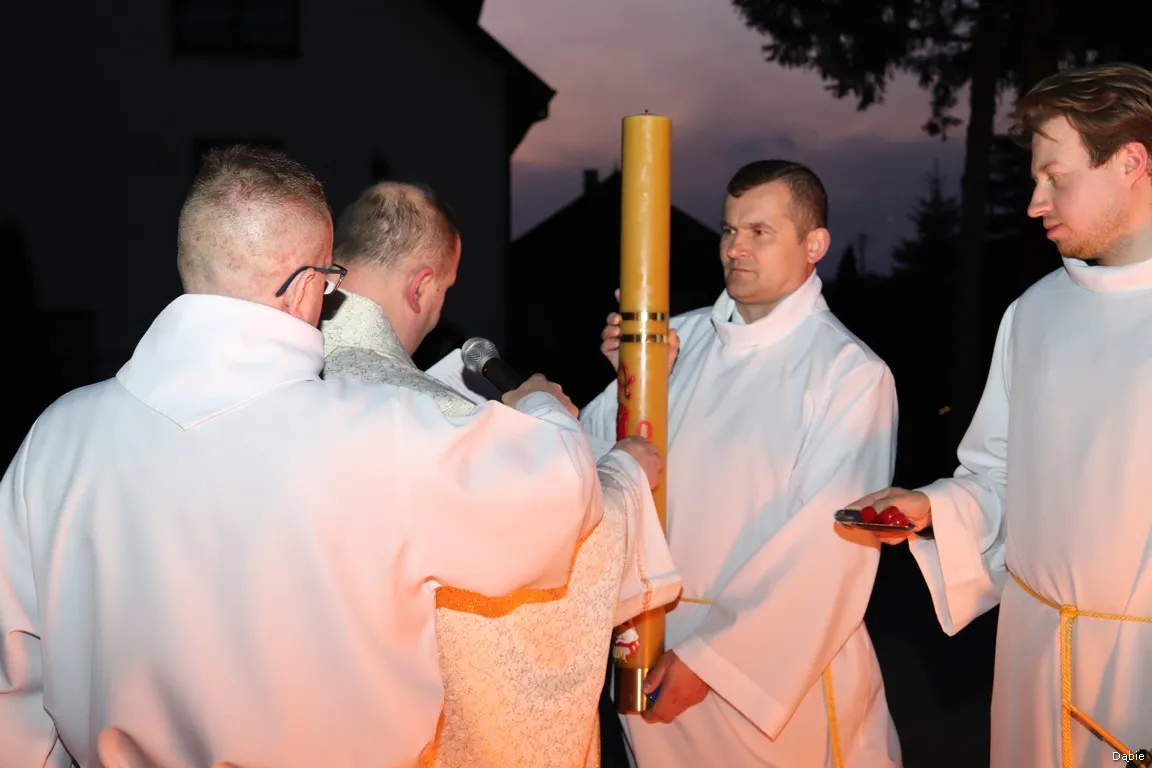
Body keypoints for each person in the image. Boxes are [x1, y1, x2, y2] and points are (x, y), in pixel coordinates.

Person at [0, 146, 613, 768]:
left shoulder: (55, 439)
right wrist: (539, 406)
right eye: (329, 282)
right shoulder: (380, 431)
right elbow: (560, 491)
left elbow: (14, 685)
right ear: (301, 288)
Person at [843, 62, 1152, 768]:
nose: (1035, 203)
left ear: (1131, 162)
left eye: (1055, 178)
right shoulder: (1035, 313)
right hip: (1035, 660)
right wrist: (934, 508)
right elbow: (999, 475)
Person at [320, 180, 682, 768]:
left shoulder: (288, 371)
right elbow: (548, 547)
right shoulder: (426, 414)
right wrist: (624, 478)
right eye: (443, 292)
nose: (438, 311)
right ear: (421, 285)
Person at [580, 160, 902, 768]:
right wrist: (632, 385)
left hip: (770, 673)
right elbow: (596, 471)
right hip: (651, 647)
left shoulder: (849, 373)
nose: (735, 247)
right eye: (729, 230)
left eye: (759, 231)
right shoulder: (672, 341)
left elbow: (831, 548)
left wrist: (713, 663)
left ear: (815, 245)